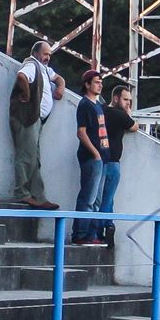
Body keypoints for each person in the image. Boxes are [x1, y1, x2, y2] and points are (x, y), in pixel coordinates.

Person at [9, 39, 65, 209]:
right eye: (45, 54)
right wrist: (26, 96)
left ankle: (38, 196)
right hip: (27, 118)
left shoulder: (44, 69)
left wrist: (60, 88)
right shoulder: (31, 65)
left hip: (36, 120)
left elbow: (59, 78)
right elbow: (21, 77)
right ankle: (22, 193)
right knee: (26, 156)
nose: (47, 57)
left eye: (49, 54)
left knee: (34, 158)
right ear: (35, 53)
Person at [94, 85, 138, 248]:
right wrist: (129, 114)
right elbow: (134, 126)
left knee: (99, 198)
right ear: (116, 98)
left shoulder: (102, 110)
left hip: (99, 160)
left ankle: (105, 226)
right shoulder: (120, 115)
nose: (128, 103)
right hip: (112, 162)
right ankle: (104, 227)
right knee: (107, 198)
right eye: (126, 100)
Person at [71, 69, 110, 246]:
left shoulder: (98, 105)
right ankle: (80, 234)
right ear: (87, 84)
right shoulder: (85, 105)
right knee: (88, 197)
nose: (100, 84)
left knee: (97, 199)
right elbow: (81, 132)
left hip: (102, 157)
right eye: (96, 81)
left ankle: (91, 234)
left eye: (100, 81)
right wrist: (95, 153)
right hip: (92, 157)